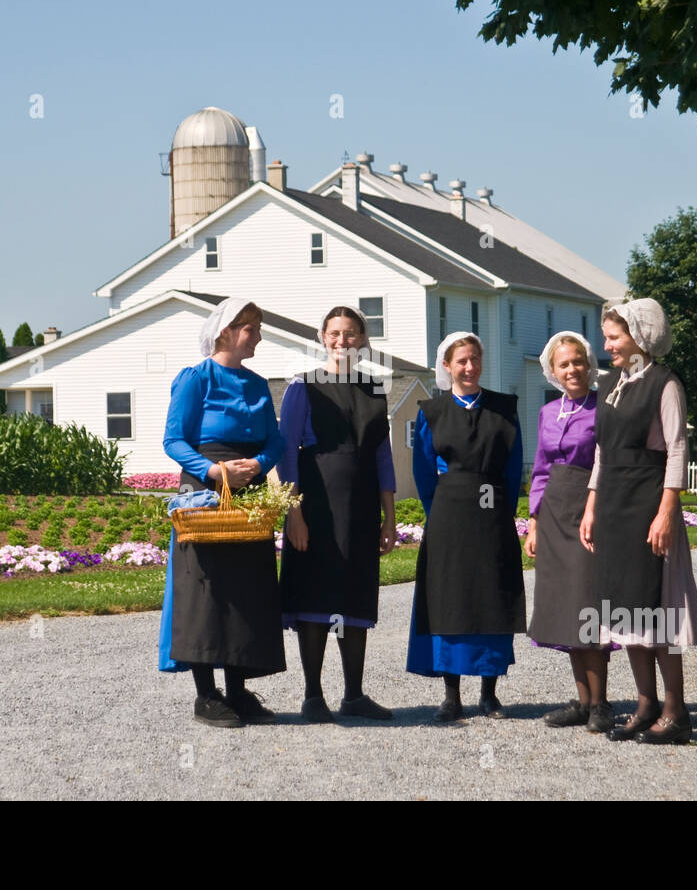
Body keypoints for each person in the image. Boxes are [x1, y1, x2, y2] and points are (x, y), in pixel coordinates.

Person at [159, 297, 286, 728]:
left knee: (246, 590)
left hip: (246, 491)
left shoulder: (256, 384)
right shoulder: (195, 380)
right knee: (205, 590)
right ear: (227, 331)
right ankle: (205, 697)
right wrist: (214, 470)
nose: (259, 336)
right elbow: (174, 440)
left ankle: (238, 692)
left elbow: (276, 440)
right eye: (252, 328)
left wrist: (259, 464)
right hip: (204, 491)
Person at [579, 298, 697, 744]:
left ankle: (676, 710)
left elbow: (676, 449)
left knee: (656, 608)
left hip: (648, 502)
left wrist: (667, 511)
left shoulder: (665, 385)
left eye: (613, 336)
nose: (606, 344)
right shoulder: (613, 383)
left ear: (638, 337)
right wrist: (592, 505)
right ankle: (645, 703)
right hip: (612, 504)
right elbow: (600, 451)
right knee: (624, 608)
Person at [278, 306, 398, 722]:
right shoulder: (303, 387)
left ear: (362, 339)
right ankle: (313, 696)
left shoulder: (374, 389)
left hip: (362, 504)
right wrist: (293, 513)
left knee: (353, 595)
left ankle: (354, 695)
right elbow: (286, 455)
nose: (342, 341)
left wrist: (389, 515)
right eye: (335, 333)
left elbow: (383, 455)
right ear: (322, 337)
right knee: (315, 595)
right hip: (315, 503)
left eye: (350, 334)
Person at [407, 331, 525, 721]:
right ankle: (451, 694)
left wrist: (500, 512)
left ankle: (489, 694)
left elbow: (511, 468)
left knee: (491, 595)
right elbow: (423, 471)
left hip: (492, 515)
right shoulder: (432, 411)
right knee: (450, 598)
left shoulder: (504, 409)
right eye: (462, 361)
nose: (470, 367)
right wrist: (439, 510)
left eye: (475, 359)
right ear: (447, 366)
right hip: (449, 513)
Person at [524, 331, 615, 733]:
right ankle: (582, 701)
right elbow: (541, 470)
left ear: (589, 364)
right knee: (564, 607)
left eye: (578, 361)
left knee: (587, 605)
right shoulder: (547, 413)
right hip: (554, 514)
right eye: (564, 364)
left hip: (590, 509)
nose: (572, 369)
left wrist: (596, 510)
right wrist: (534, 522)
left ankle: (601, 704)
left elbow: (609, 462)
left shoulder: (604, 408)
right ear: (553, 370)